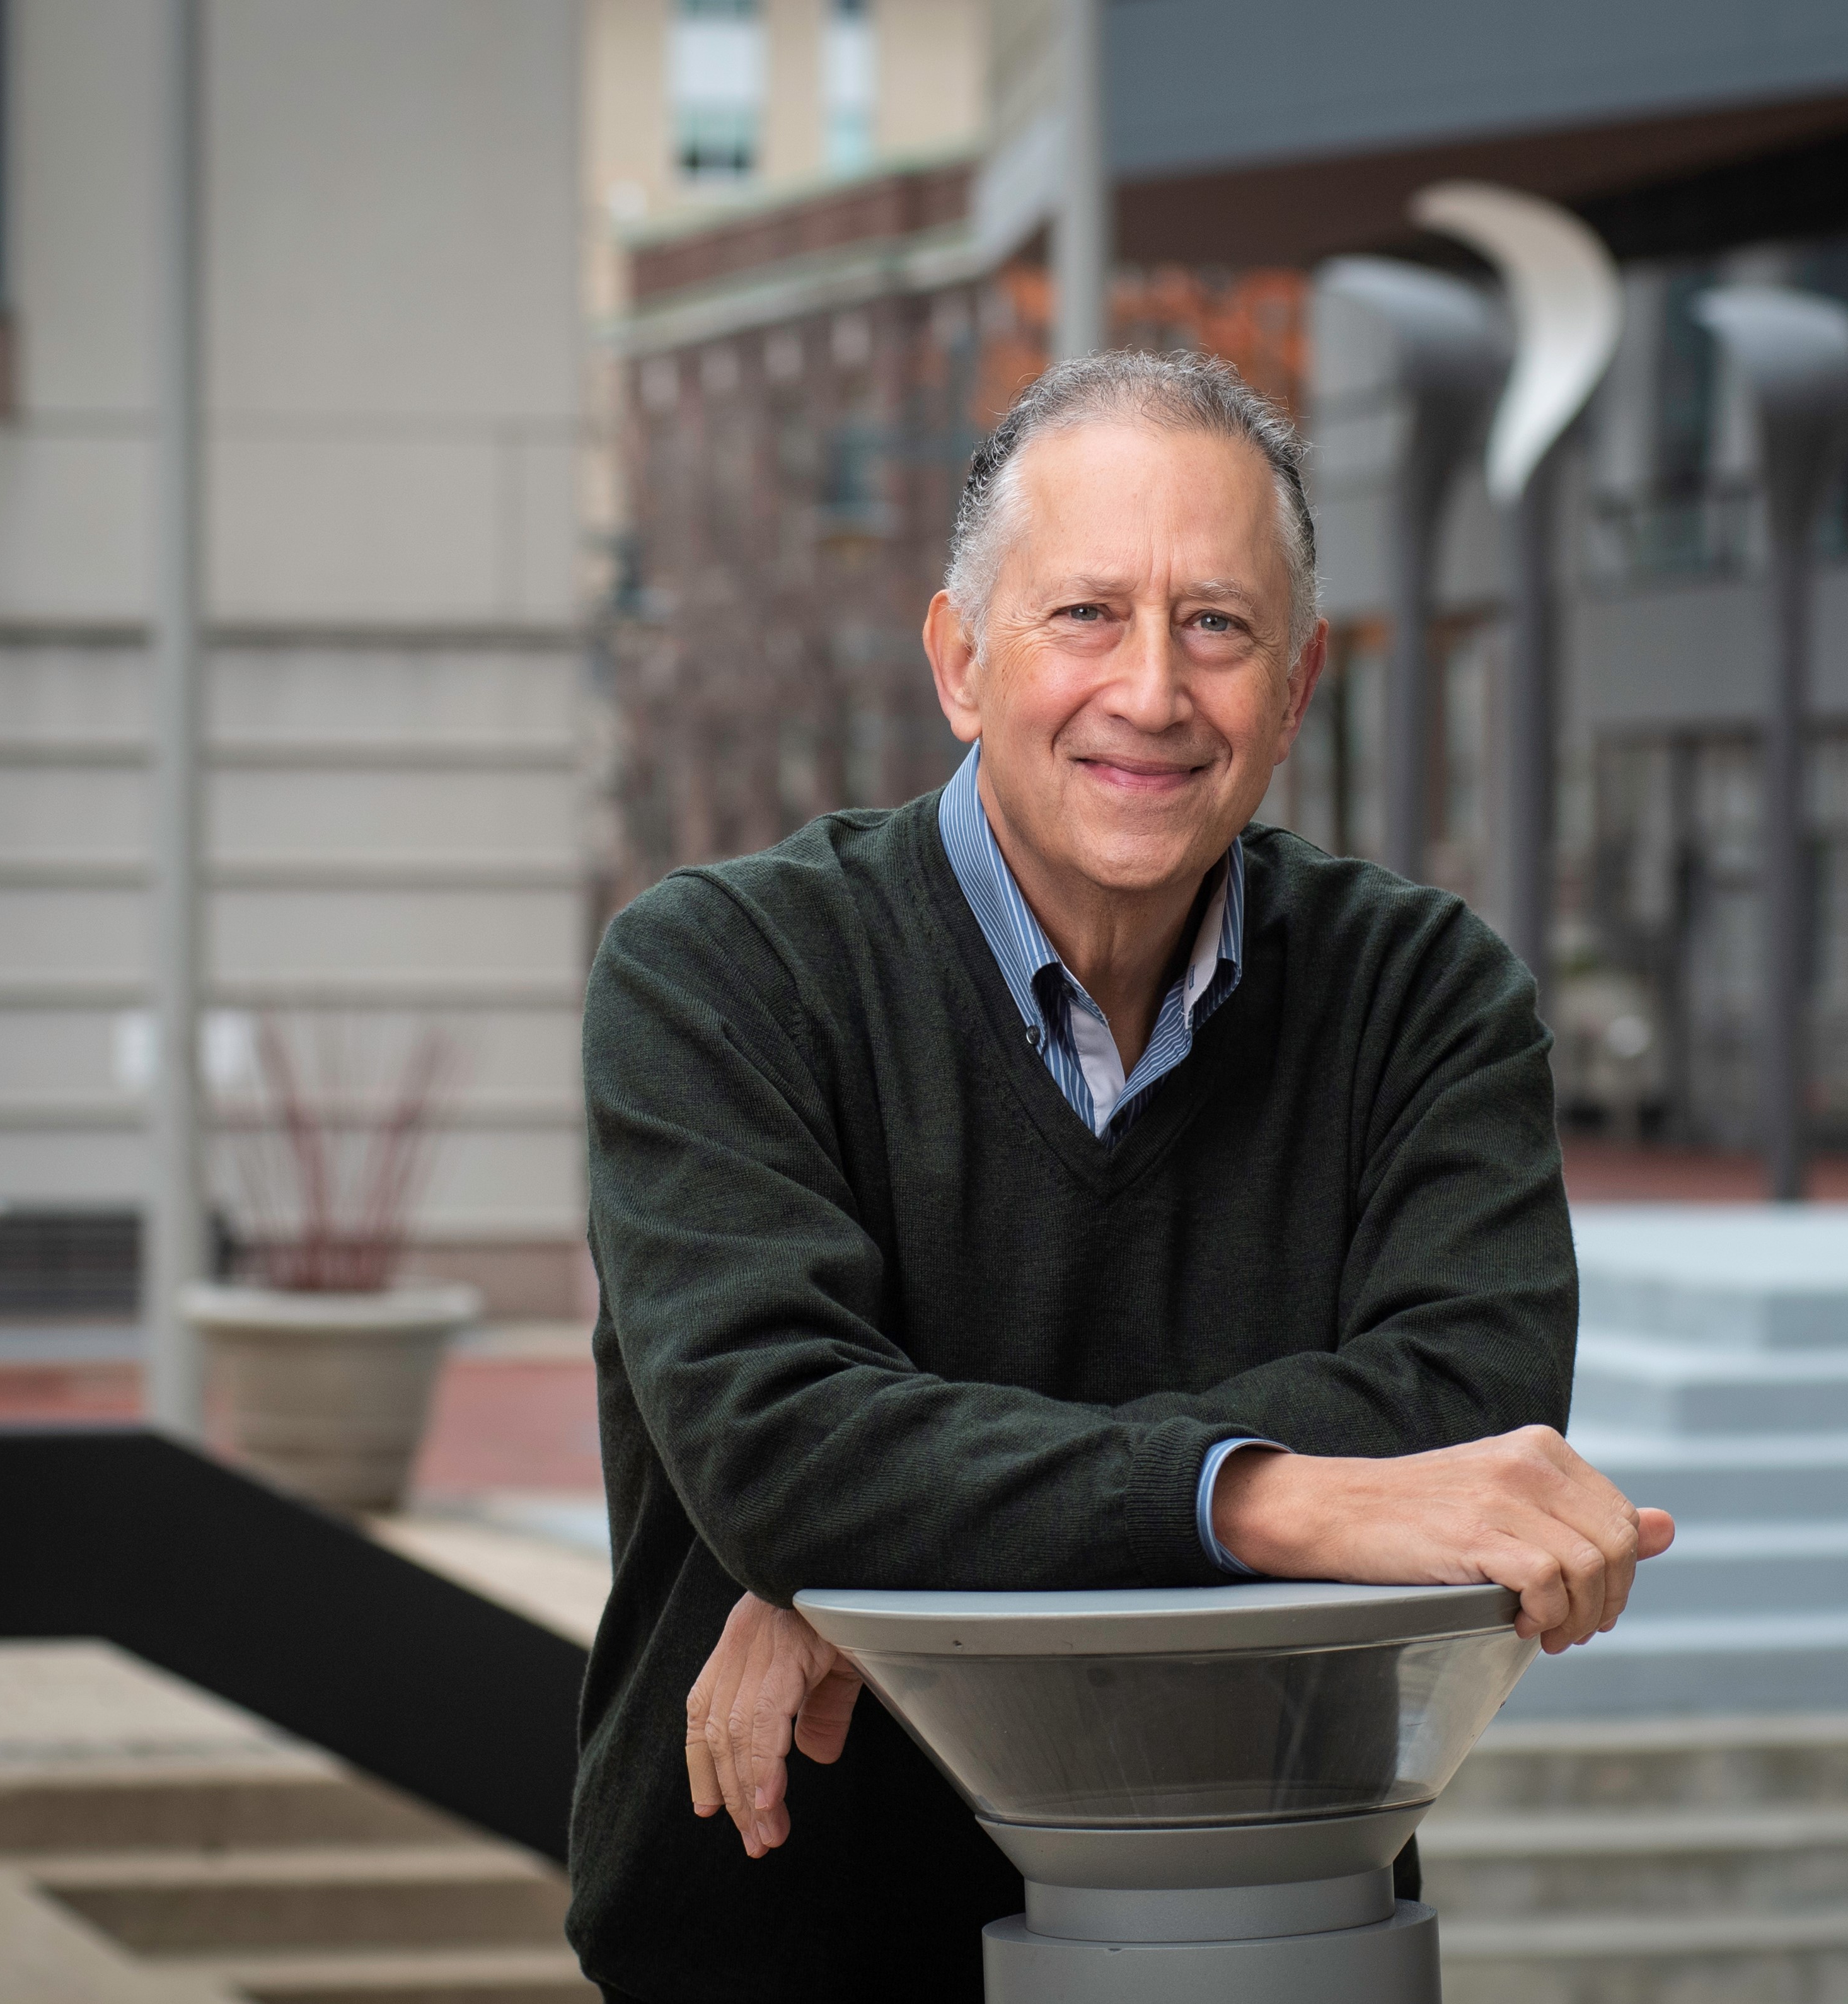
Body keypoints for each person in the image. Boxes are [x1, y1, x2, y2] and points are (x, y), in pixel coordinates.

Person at [566, 349, 1671, 2003]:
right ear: (960, 660)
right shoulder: (721, 974)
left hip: (1266, 1937)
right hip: (788, 1951)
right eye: (1085, 613)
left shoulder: (1426, 996)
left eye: (1215, 625)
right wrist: (1279, 1495)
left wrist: (881, 1576)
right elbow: (780, 1439)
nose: (1151, 690)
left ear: (1295, 690)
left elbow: (1465, 1402)